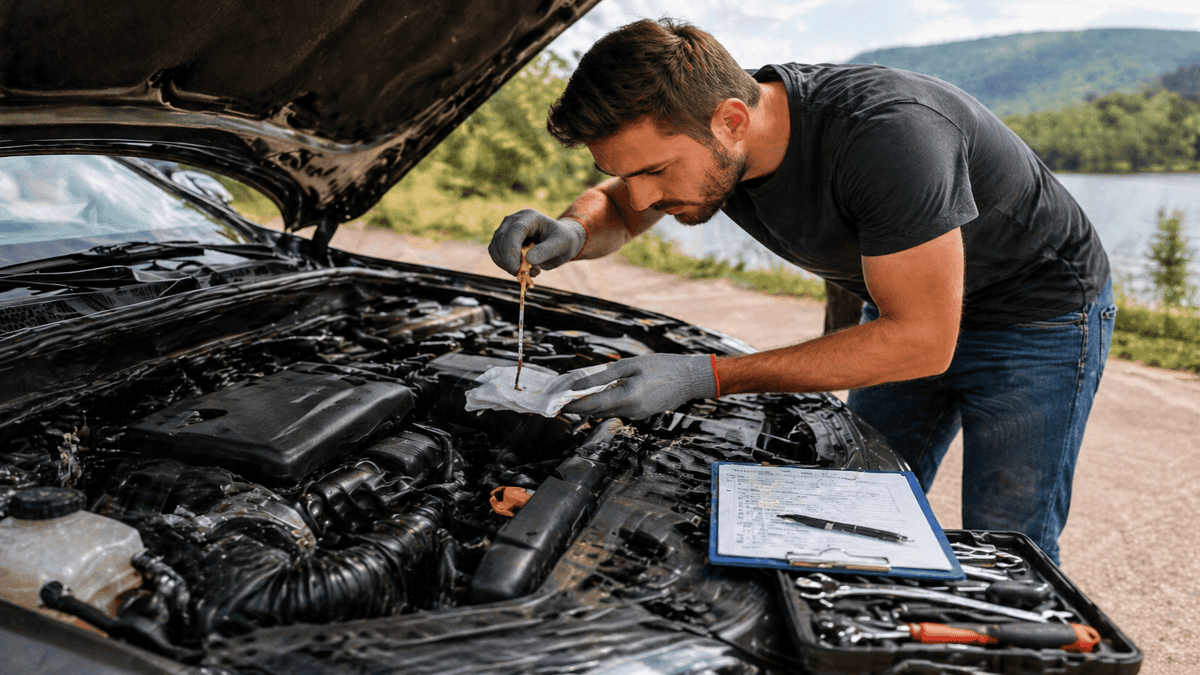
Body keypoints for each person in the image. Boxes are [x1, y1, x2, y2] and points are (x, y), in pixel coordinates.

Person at [487, 18, 1114, 564]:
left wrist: (711, 375)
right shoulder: (711, 141)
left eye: (655, 170)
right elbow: (622, 207)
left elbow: (923, 341)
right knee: (861, 511)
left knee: (1006, 544)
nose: (646, 195)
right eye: (629, 171)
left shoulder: (887, 134)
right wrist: (573, 229)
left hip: (1039, 319)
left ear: (731, 120)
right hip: (905, 309)